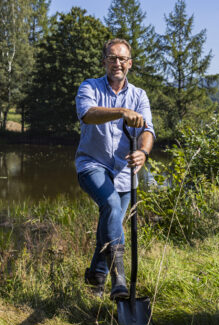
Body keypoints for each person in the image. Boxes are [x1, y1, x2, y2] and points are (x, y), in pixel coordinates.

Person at [75, 38, 155, 300]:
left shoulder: (139, 95)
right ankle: (118, 280)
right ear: (104, 62)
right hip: (92, 163)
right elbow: (87, 114)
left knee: (111, 224)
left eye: (122, 59)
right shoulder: (89, 87)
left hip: (124, 170)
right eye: (112, 58)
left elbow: (147, 130)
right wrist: (121, 112)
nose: (117, 63)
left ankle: (96, 277)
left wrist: (143, 152)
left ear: (129, 63)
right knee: (109, 204)